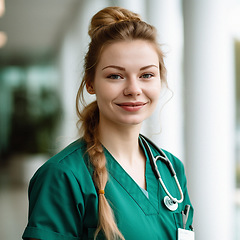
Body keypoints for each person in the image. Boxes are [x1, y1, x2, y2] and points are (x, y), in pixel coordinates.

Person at [22, 6, 194, 240]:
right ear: (90, 83)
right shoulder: (62, 176)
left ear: (160, 80)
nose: (134, 89)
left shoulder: (171, 169)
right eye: (115, 75)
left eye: (146, 75)